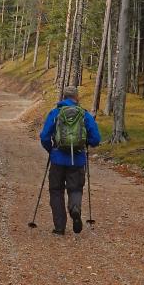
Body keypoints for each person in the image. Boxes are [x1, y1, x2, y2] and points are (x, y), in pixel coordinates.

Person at [39, 85, 101, 234]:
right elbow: (96, 139)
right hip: (77, 160)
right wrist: (87, 143)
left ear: (63, 97)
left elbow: (44, 136)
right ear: (76, 97)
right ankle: (75, 209)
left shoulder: (55, 113)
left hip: (58, 159)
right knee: (75, 188)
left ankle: (59, 227)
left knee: (56, 191)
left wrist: (51, 150)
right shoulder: (84, 115)